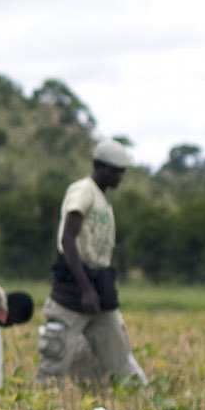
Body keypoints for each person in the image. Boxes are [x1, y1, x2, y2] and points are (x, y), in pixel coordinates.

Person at [36, 139, 141, 384]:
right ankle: (42, 409)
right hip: (75, 286)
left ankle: (137, 402)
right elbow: (68, 239)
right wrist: (85, 288)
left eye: (122, 171)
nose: (120, 176)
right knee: (54, 361)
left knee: (119, 356)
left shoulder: (102, 198)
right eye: (116, 171)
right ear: (99, 167)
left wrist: (95, 290)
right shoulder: (83, 190)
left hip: (99, 285)